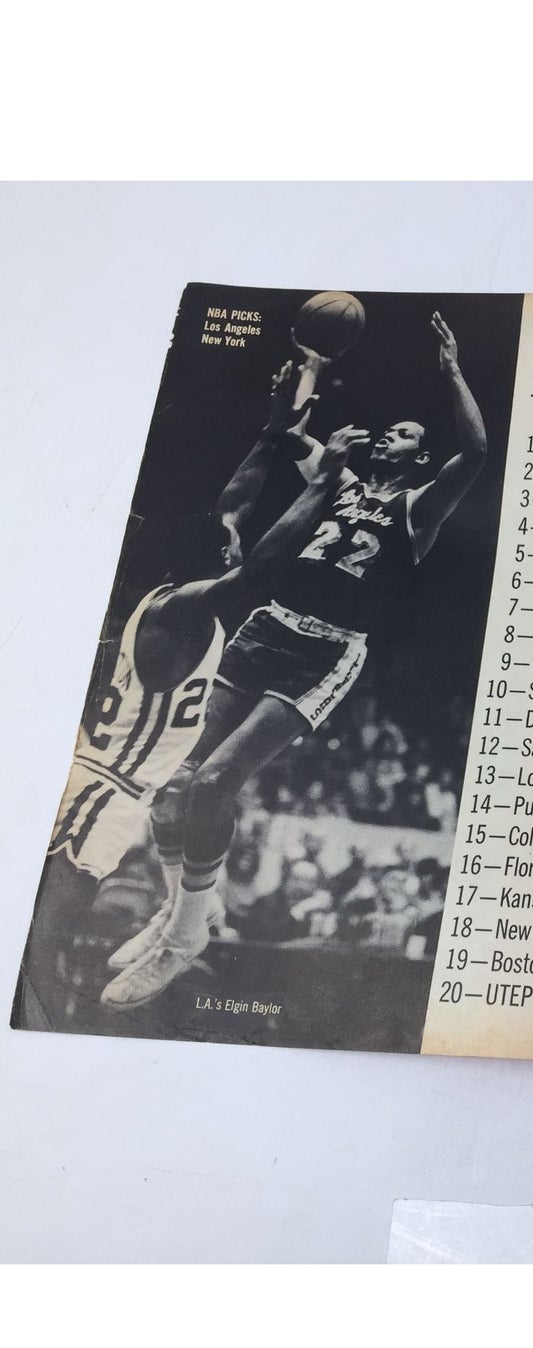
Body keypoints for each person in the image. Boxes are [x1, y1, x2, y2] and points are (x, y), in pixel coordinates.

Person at [103, 312, 489, 1008]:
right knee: (172, 781)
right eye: (390, 429)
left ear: (419, 457)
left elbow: (477, 451)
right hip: (265, 628)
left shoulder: (417, 509)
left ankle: (184, 938)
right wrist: (308, 367)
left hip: (325, 651)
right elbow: (287, 433)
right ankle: (184, 913)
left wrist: (453, 371)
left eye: (404, 434)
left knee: (214, 783)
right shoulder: (338, 478)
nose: (390, 434)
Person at [15, 361, 355, 1020]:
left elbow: (233, 505)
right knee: (42, 942)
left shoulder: (179, 600)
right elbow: (257, 571)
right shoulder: (180, 612)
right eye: (228, 547)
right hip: (103, 792)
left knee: (45, 940)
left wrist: (272, 433)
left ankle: (179, 919)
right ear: (211, 564)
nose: (235, 545)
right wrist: (325, 484)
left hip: (114, 790)